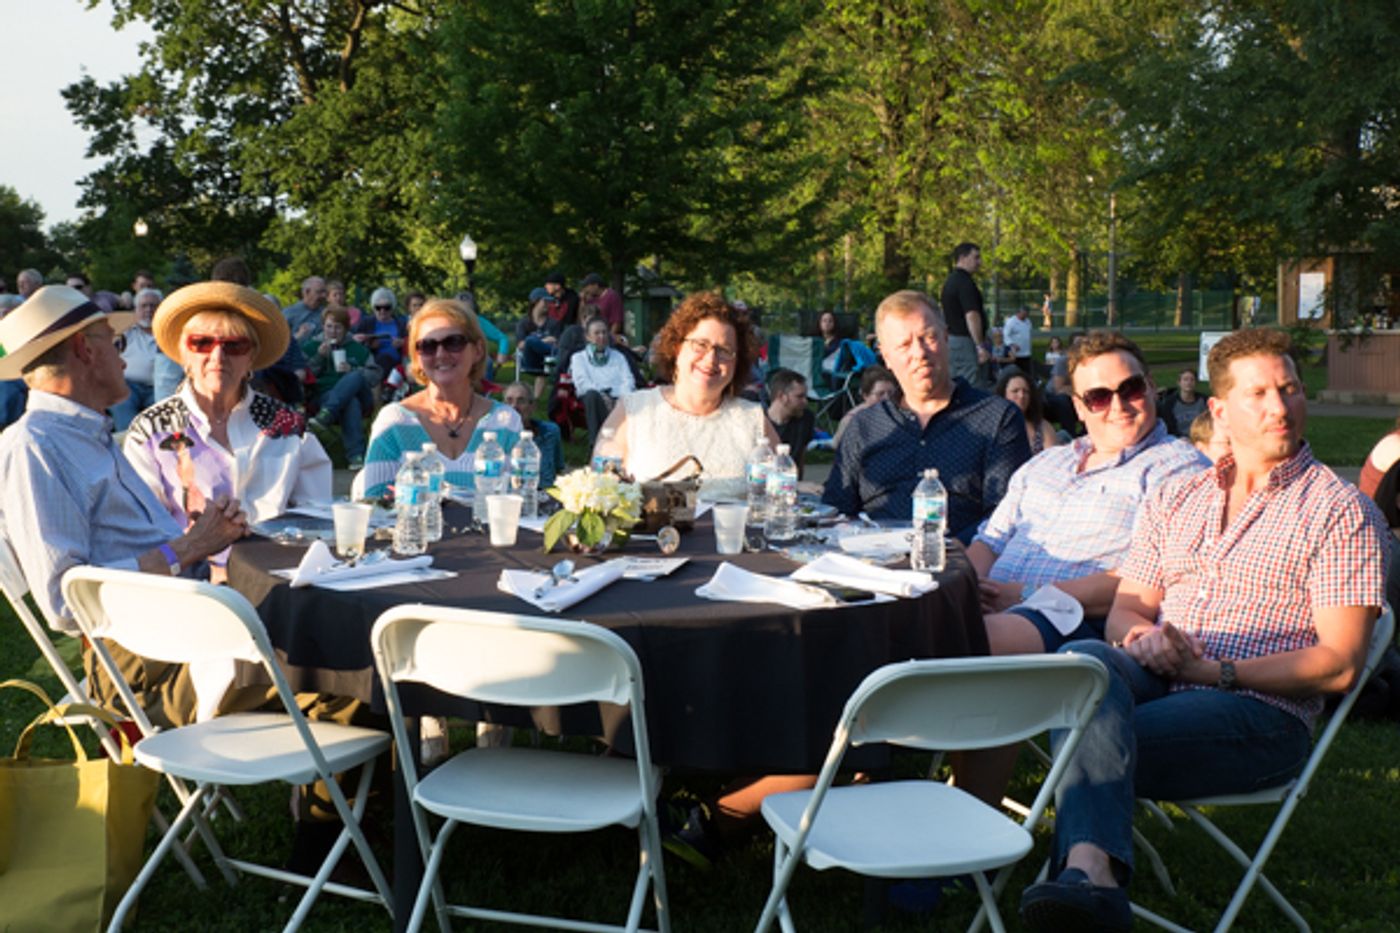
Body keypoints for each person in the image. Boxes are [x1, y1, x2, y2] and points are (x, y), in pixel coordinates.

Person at [1018, 328, 1390, 933]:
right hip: (1161, 675)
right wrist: (1148, 639)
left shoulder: (1339, 510)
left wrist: (1213, 671)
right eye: (1259, 394)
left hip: (1258, 708)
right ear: (1219, 410)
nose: (1280, 406)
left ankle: (1086, 877)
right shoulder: (1177, 497)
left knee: (1084, 729)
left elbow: (1341, 663)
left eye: (1290, 388)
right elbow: (1125, 613)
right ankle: (1095, 883)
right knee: (1088, 657)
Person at [0, 285, 254, 729]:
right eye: (114, 344)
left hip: (192, 631)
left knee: (337, 651)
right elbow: (65, 601)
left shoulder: (88, 433)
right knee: (336, 665)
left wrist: (206, 536)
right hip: (147, 667)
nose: (123, 359)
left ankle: (332, 797)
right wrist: (188, 548)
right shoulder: (34, 447)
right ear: (85, 350)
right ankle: (343, 796)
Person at [973, 332, 1208, 656]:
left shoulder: (1177, 470)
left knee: (959, 639)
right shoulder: (1046, 462)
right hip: (994, 607)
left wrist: (1026, 594)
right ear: (1079, 408)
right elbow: (990, 542)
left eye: (1131, 389)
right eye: (1098, 397)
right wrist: (962, 591)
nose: (1118, 405)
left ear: (1151, 386)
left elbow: (1147, 581)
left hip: (1073, 620)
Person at [124, 282, 331, 577]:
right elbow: (140, 537)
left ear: (251, 358)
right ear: (184, 353)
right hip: (189, 585)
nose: (218, 357)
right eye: (202, 343)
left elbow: (317, 514)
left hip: (280, 579)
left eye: (234, 346)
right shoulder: (151, 430)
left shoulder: (286, 424)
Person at [822, 290, 1030, 540]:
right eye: (904, 345)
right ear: (886, 356)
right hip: (876, 565)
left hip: (961, 564)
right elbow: (836, 511)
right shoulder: (864, 427)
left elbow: (1005, 519)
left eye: (928, 337)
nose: (919, 353)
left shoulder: (997, 419)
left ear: (946, 337)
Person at [594, 291, 778, 497]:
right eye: (700, 345)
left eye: (724, 350)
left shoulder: (752, 419)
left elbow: (779, 496)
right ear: (677, 348)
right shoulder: (634, 411)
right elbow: (602, 492)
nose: (711, 359)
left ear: (737, 362)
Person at [354, 298, 521, 498]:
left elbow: (520, 505)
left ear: (477, 351)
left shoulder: (505, 422)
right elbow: (375, 508)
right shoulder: (394, 422)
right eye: (428, 346)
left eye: (454, 343)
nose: (441, 354)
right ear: (416, 357)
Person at [307, 306, 379, 470]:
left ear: (346, 329)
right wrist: (319, 358)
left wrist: (352, 370)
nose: (333, 331)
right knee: (350, 402)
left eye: (338, 327)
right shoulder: (311, 346)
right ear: (323, 327)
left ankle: (326, 414)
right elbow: (305, 375)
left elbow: (375, 375)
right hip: (323, 396)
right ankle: (356, 456)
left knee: (355, 376)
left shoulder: (358, 348)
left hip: (361, 399)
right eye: (329, 326)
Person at [570, 317, 636, 445]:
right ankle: (595, 444)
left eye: (604, 332)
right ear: (588, 337)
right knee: (591, 395)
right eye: (597, 333)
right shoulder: (579, 358)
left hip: (618, 400)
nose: (602, 336)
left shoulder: (618, 357)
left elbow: (628, 380)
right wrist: (603, 395)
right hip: (594, 398)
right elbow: (582, 383)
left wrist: (618, 398)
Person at [109, 286, 163, 429]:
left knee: (163, 412)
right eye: (143, 306)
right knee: (121, 402)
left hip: (157, 388)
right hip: (129, 385)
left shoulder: (167, 335)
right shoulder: (125, 333)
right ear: (135, 311)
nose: (148, 310)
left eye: (153, 306)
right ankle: (128, 442)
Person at [939, 242, 990, 388]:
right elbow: (972, 315)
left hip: (953, 342)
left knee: (956, 385)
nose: (979, 262)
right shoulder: (964, 283)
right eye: (976, 257)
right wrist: (980, 346)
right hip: (964, 342)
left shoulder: (950, 281)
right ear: (962, 257)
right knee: (971, 386)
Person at [503, 381, 565, 487]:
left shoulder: (549, 432)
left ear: (533, 406)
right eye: (509, 401)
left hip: (543, 496)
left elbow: (558, 471)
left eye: (521, 401)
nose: (514, 407)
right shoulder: (498, 436)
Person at [353, 287, 409, 389]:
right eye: (378, 308)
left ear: (392, 308)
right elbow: (356, 344)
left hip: (397, 362)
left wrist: (402, 343)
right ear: (373, 308)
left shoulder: (401, 323)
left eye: (386, 307)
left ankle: (385, 390)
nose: (382, 311)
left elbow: (410, 342)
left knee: (388, 361)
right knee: (383, 360)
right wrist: (369, 345)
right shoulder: (367, 322)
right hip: (374, 361)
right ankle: (385, 389)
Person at [832, 365, 898, 448]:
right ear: (865, 395)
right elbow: (837, 446)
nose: (887, 398)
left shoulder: (900, 413)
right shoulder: (852, 420)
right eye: (880, 394)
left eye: (891, 392)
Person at [995, 368, 1059, 455]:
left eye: (1026, 392)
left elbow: (1053, 459)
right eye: (1015, 391)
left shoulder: (1042, 427)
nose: (1021, 396)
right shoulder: (993, 428)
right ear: (1003, 395)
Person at [765, 368, 815, 477]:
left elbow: (801, 457)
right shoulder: (759, 422)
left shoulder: (806, 418)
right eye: (799, 396)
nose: (805, 402)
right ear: (782, 396)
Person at [1158, 368, 1208, 436]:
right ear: (1179, 383)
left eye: (1192, 380)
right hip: (1178, 440)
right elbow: (1169, 428)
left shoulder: (1204, 401)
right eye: (1185, 379)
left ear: (1196, 383)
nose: (1189, 382)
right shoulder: (1170, 403)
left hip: (1200, 438)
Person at [580, 272, 626, 342]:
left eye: (587, 286)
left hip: (606, 335)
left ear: (595, 285)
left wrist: (609, 338)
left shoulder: (612, 296)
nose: (586, 290)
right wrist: (582, 301)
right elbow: (583, 317)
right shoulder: (591, 298)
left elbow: (617, 321)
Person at [282, 275, 328, 342]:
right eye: (319, 292)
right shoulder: (289, 313)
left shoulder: (326, 313)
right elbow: (279, 341)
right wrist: (297, 336)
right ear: (307, 292)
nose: (324, 295)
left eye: (324, 292)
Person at [1002, 304, 1034, 376]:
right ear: (1018, 313)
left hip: (1027, 352)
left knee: (1026, 372)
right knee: (1015, 372)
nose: (1025, 316)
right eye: (1023, 314)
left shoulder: (1028, 321)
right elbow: (1005, 334)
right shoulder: (1011, 321)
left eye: (1027, 314)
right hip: (1015, 353)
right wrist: (1012, 344)